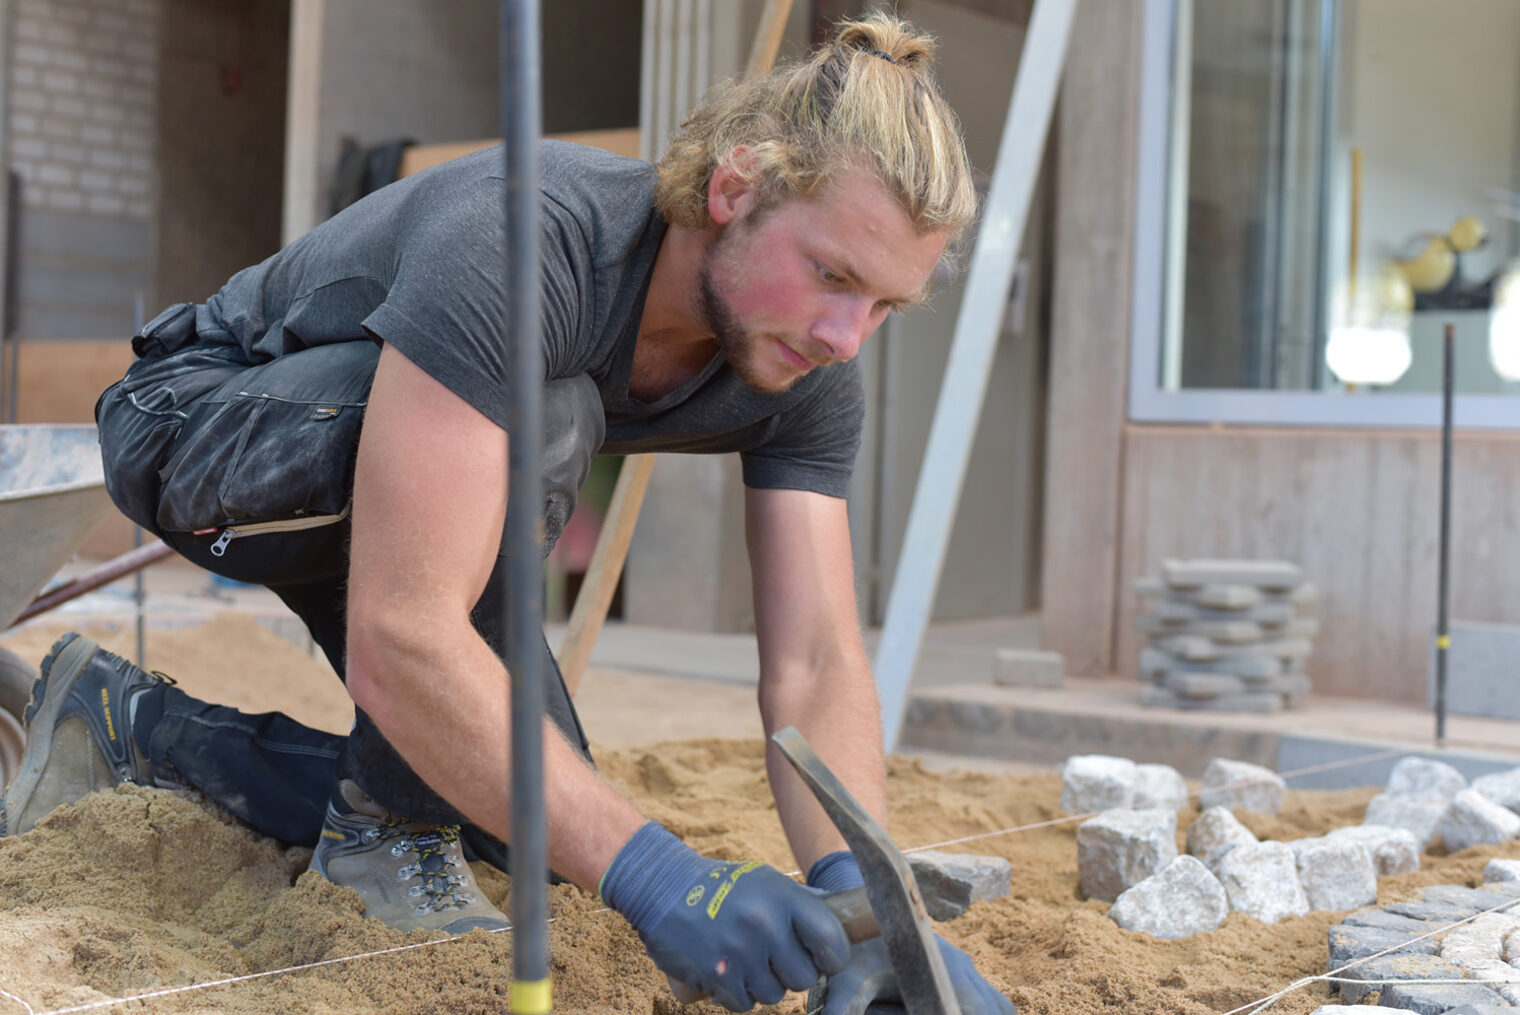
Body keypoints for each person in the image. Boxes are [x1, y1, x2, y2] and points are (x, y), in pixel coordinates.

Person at [1, 13, 1013, 1014]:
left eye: (883, 304)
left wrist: (863, 893)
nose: (846, 334)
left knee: (532, 820)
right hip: (200, 426)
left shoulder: (811, 370)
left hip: (412, 473)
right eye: (832, 275)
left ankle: (130, 725)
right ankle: (383, 834)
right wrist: (667, 879)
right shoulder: (530, 241)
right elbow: (403, 637)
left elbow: (816, 659)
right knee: (548, 422)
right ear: (731, 187)